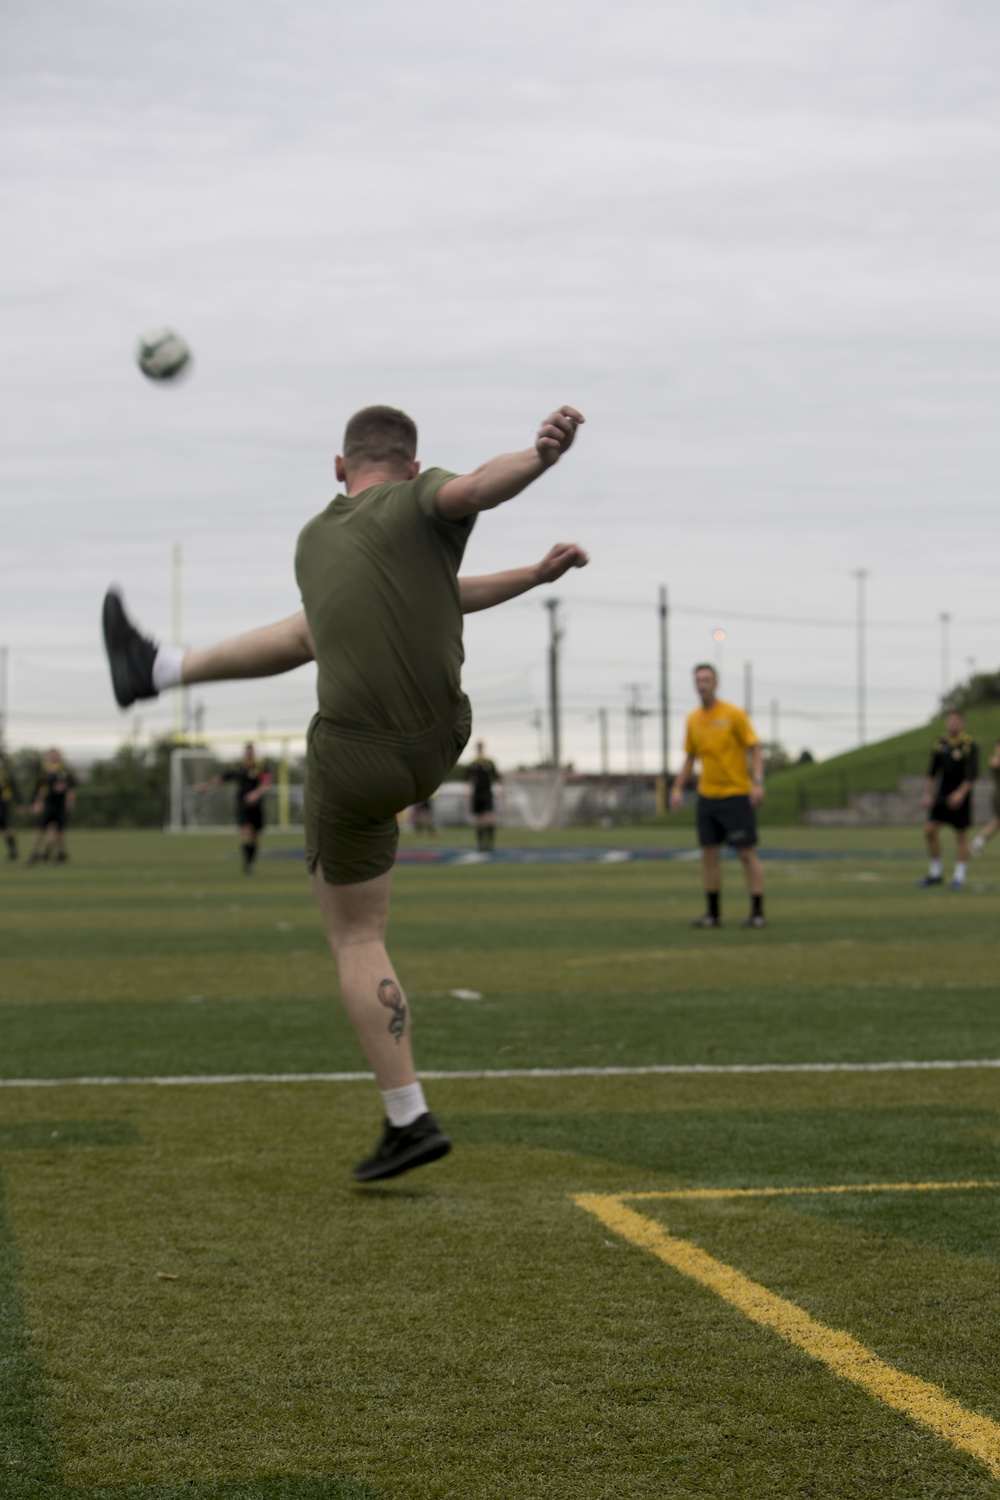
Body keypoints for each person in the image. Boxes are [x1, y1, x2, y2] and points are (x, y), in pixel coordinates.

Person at [102, 402, 587, 1181]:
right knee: (306, 637)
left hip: (358, 759)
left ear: (340, 467)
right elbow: (444, 558)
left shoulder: (319, 535)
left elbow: (475, 488)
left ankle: (410, 1116)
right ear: (410, 459)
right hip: (438, 744)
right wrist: (533, 568)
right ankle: (157, 668)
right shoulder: (415, 516)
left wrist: (538, 458)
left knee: (359, 940)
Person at [668, 663, 766, 929]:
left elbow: (754, 748)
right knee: (708, 854)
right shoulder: (693, 719)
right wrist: (677, 788)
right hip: (707, 796)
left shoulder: (733, 714)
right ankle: (713, 913)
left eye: (707, 680)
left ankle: (757, 912)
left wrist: (757, 782)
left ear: (716, 683)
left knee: (746, 853)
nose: (702, 685)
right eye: (698, 680)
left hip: (735, 794)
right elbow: (690, 758)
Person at [917, 710, 978, 890]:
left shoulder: (969, 745)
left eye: (957, 721)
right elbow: (932, 771)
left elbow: (972, 774)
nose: (953, 724)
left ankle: (959, 877)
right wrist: (927, 794)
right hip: (942, 794)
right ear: (946, 723)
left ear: (962, 724)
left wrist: (960, 793)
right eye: (950, 721)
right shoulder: (940, 743)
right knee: (929, 830)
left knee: (961, 835)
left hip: (961, 796)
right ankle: (936, 873)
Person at [195, 743, 272, 873]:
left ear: (254, 753)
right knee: (246, 831)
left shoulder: (261, 767)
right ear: (244, 753)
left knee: (255, 835)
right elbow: (221, 778)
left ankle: (251, 861)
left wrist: (255, 794)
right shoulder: (237, 767)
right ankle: (247, 864)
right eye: (247, 752)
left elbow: (266, 784)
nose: (249, 754)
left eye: (251, 752)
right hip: (242, 804)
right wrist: (205, 786)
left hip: (257, 805)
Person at [27, 748, 76, 865]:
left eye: (55, 755)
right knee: (40, 829)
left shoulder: (64, 769)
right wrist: (36, 803)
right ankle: (34, 854)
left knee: (59, 831)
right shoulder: (44, 770)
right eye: (51, 755)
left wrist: (69, 802)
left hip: (60, 804)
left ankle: (61, 854)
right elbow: (39, 788)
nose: (53, 757)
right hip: (48, 804)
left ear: (59, 756)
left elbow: (71, 787)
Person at [465, 740, 503, 851]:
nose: (480, 750)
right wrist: (467, 790)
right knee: (478, 819)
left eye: (481, 747)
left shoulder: (489, 762)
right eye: (478, 748)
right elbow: (467, 780)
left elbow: (497, 777)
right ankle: (481, 844)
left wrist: (502, 791)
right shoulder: (472, 764)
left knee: (489, 817)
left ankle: (490, 843)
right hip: (477, 792)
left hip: (487, 792)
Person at [972, 739, 1000, 858]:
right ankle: (977, 843)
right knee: (996, 823)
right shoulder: (994, 760)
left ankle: (977, 843)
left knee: (996, 823)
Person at [0, 752, 21, 860]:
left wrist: (19, 803)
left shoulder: (6, 776)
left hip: (3, 804)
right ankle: (13, 852)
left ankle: (13, 851)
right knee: (6, 828)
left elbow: (14, 790)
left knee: (6, 827)